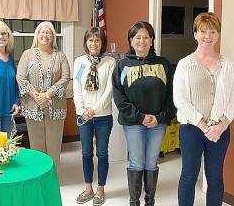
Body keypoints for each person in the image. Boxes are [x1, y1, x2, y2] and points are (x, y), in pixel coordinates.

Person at [112, 21, 176, 206]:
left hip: (158, 123)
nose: (141, 41)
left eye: (146, 37)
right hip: (133, 123)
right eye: (137, 37)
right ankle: (134, 202)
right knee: (137, 163)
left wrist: (160, 117)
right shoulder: (122, 66)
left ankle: (150, 201)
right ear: (131, 40)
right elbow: (119, 97)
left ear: (152, 40)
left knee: (151, 163)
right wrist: (140, 116)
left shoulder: (163, 64)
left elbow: (172, 95)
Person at [173, 12, 234, 206]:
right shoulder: (185, 64)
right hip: (192, 129)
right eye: (203, 31)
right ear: (195, 34)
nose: (208, 36)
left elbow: (233, 98)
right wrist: (203, 125)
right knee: (189, 176)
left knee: (215, 177)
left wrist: (221, 124)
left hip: (220, 130)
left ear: (218, 35)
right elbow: (180, 99)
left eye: (212, 31)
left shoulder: (228, 65)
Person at [16, 21, 70, 168]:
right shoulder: (27, 54)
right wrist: (37, 96)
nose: (45, 35)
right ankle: (38, 182)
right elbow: (20, 77)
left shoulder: (61, 56)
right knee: (37, 147)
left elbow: (65, 78)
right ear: (37, 35)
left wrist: (47, 95)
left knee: (54, 148)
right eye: (42, 32)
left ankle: (53, 182)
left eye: (49, 32)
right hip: (33, 108)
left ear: (53, 36)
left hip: (55, 109)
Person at [73, 27, 115, 206]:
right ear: (86, 42)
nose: (94, 43)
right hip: (83, 116)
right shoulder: (79, 62)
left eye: (97, 40)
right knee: (86, 153)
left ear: (102, 43)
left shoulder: (110, 62)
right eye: (90, 40)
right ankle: (88, 188)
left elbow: (109, 90)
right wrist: (82, 109)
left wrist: (94, 110)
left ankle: (100, 189)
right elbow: (77, 88)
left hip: (103, 116)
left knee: (102, 153)